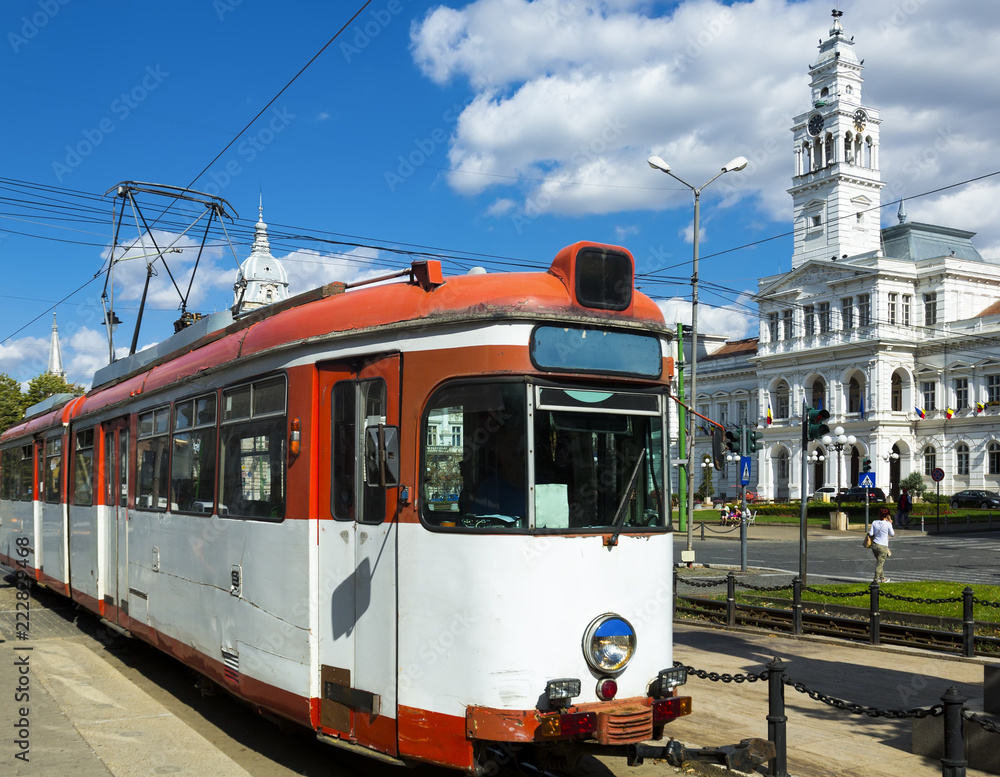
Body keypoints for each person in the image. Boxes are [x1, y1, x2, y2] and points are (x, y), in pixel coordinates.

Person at [868, 507, 895, 583]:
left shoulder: (874, 522)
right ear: (887, 515)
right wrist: (890, 524)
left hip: (874, 545)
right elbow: (892, 534)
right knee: (880, 564)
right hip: (883, 546)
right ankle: (875, 581)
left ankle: (883, 578)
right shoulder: (888, 524)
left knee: (879, 562)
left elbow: (871, 533)